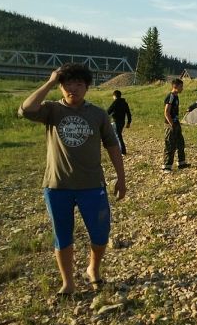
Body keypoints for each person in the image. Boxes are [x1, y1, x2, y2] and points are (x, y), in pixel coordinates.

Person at [18, 63, 126, 296]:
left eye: (78, 84)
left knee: (100, 235)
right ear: (60, 87)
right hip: (57, 186)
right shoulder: (51, 110)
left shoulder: (98, 114)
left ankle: (93, 269)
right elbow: (26, 109)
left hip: (92, 185)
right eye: (67, 84)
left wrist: (121, 177)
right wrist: (50, 81)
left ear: (87, 87)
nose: (73, 89)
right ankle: (67, 282)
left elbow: (112, 146)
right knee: (62, 236)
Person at [162, 78, 189, 172]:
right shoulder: (170, 96)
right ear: (175, 86)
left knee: (180, 143)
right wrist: (172, 124)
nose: (182, 88)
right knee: (170, 145)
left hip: (176, 123)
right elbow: (166, 112)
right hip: (170, 124)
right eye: (181, 86)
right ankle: (167, 166)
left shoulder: (176, 96)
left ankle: (182, 163)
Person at [107, 90, 132, 155]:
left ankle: (122, 151)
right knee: (117, 135)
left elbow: (108, 111)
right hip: (122, 122)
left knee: (118, 136)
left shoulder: (115, 102)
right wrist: (129, 122)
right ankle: (118, 149)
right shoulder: (124, 103)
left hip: (116, 122)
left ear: (114, 96)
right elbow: (128, 113)